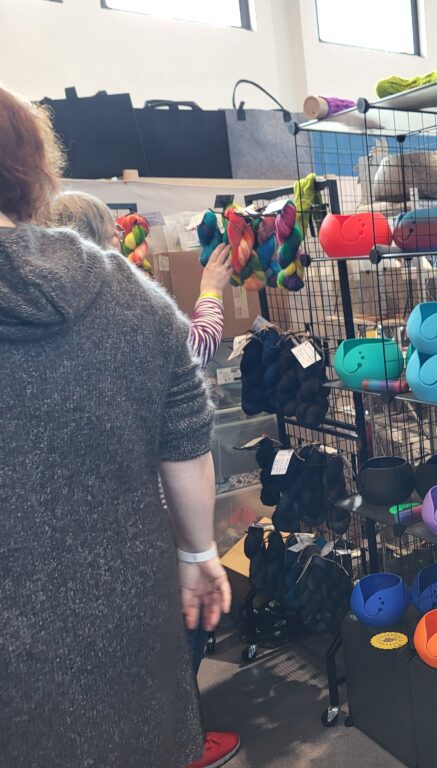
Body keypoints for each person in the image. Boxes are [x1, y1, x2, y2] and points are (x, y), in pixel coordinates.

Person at [0, 86, 233, 767]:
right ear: (33, 167)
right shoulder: (132, 298)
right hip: (127, 616)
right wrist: (197, 551)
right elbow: (186, 433)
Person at [49, 191, 233, 367]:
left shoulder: (48, 302)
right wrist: (211, 290)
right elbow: (196, 350)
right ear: (99, 241)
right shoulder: (125, 301)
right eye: (114, 234)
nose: (119, 240)